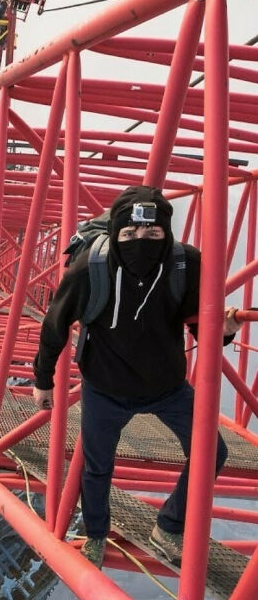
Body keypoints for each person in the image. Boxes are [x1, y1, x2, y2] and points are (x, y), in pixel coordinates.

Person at [32, 185, 240, 568]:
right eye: (128, 234)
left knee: (214, 452)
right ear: (115, 234)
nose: (140, 242)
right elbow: (55, 324)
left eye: (152, 234)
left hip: (167, 387)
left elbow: (202, 329)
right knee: (97, 467)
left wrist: (225, 330)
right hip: (106, 387)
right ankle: (95, 534)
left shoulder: (185, 264)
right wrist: (43, 380)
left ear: (167, 234)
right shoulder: (90, 267)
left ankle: (169, 526)